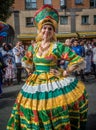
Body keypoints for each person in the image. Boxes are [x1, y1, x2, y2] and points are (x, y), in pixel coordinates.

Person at [7, 5, 88, 130]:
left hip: (53, 80)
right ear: (40, 30)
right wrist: (29, 70)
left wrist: (65, 72)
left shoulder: (58, 47)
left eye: (50, 28)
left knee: (55, 108)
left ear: (53, 31)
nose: (47, 31)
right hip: (35, 81)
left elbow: (77, 60)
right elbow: (26, 60)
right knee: (31, 107)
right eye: (44, 28)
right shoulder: (33, 47)